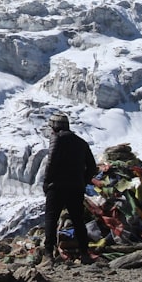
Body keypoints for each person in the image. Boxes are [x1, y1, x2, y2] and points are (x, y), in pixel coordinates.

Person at [42, 112, 97, 263]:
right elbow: (92, 167)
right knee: (78, 220)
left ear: (54, 127)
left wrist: (47, 183)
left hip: (57, 187)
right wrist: (82, 181)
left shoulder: (57, 138)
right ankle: (85, 253)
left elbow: (51, 162)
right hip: (76, 187)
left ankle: (48, 255)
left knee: (51, 219)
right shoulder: (81, 142)